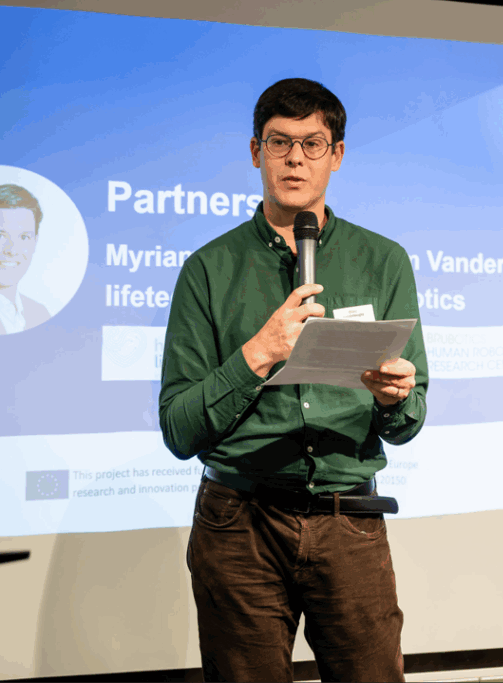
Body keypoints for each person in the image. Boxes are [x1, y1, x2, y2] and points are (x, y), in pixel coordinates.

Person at [158, 78, 428, 682]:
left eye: (313, 144)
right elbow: (178, 428)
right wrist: (258, 353)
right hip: (239, 525)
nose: (295, 159)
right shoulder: (207, 269)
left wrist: (395, 399)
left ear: (337, 154)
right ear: (257, 152)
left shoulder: (383, 260)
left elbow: (410, 417)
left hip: (349, 519)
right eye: (280, 142)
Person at [0, 184, 51, 335]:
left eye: (23, 237)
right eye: (1, 235)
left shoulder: (40, 314)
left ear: (35, 241)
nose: (12, 250)